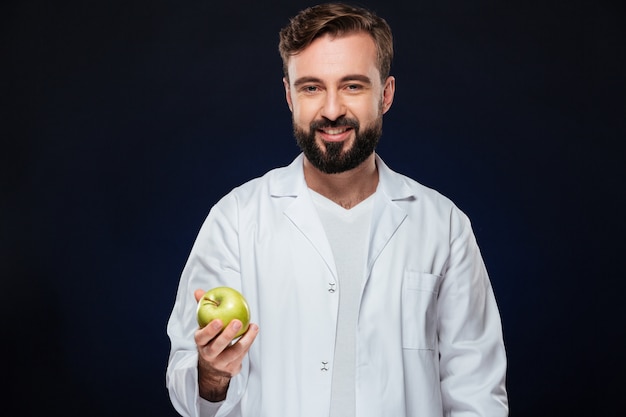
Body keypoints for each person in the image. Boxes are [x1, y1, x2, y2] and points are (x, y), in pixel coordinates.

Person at [166, 3, 508, 416]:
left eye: (352, 86)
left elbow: (477, 392)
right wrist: (212, 373)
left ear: (386, 94)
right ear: (289, 95)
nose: (331, 110)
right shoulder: (236, 220)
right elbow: (191, 395)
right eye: (312, 87)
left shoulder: (443, 225)